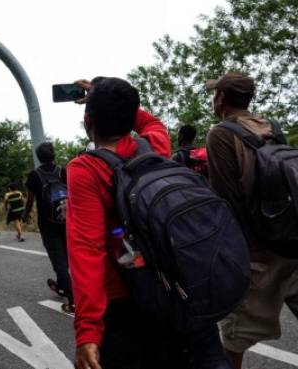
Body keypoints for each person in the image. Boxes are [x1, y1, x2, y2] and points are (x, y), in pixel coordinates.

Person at [68, 77, 230, 369]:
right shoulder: (155, 146)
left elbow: (86, 250)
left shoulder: (86, 169)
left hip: (127, 304)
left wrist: (88, 331)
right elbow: (151, 122)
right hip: (183, 286)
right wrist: (107, 93)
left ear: (87, 120)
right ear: (131, 119)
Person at [205, 72, 298, 369]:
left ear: (221, 98)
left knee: (234, 338)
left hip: (258, 254)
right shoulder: (272, 126)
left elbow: (226, 202)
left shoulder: (221, 134)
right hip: (291, 238)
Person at [23, 142, 74, 313]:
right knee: (67, 258)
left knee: (58, 260)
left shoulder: (34, 175)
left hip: (47, 223)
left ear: (38, 157)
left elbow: (30, 199)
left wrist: (26, 214)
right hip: (68, 220)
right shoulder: (64, 171)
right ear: (54, 155)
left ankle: (72, 300)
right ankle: (62, 285)